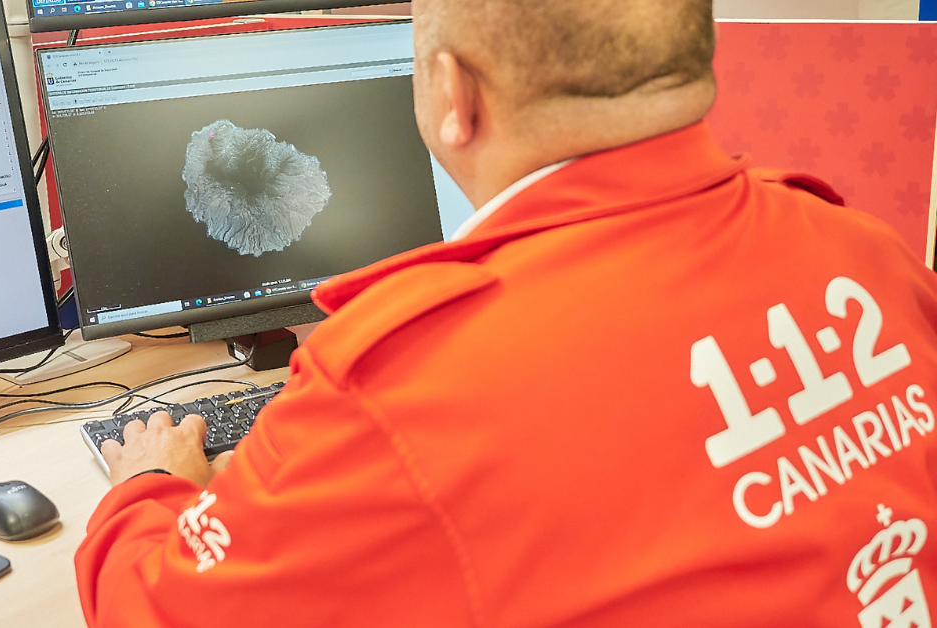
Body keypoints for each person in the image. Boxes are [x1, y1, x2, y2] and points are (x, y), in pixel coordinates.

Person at [76, 0, 937, 625]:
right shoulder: (867, 253)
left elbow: (160, 614)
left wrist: (150, 488)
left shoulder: (419, 385)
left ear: (454, 92)